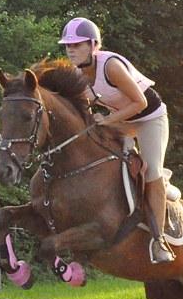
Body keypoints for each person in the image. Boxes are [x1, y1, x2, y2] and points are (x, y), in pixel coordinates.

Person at [58, 17, 176, 264]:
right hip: (121, 121)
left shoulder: (110, 66)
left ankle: (159, 239)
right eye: (68, 45)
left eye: (77, 45)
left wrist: (110, 121)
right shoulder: (76, 75)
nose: (71, 49)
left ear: (93, 45)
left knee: (152, 169)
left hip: (150, 118)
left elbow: (140, 103)